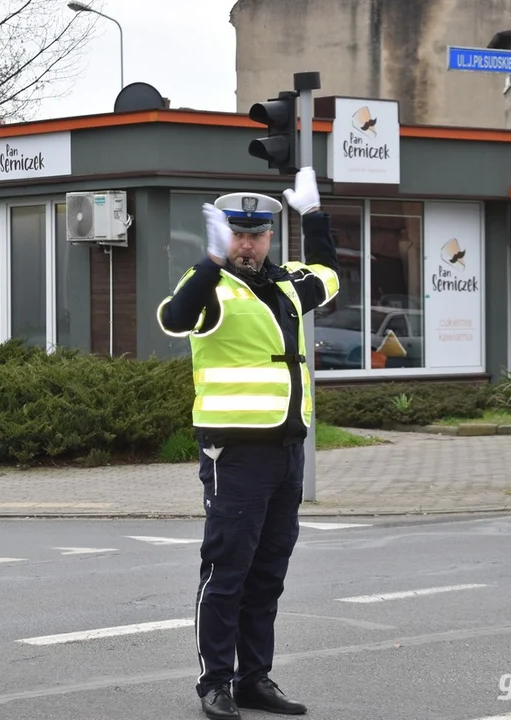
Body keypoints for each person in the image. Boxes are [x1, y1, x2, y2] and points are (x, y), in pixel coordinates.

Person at [156, 166, 341, 719]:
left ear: (268, 237)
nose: (247, 243)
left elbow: (329, 273)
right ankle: (214, 683)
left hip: (286, 453)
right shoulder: (212, 289)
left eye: (256, 234)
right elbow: (174, 317)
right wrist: (209, 262)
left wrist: (313, 216)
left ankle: (253, 678)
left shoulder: (285, 285)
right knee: (227, 570)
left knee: (268, 574)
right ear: (224, 237)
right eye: (237, 234)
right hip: (234, 453)